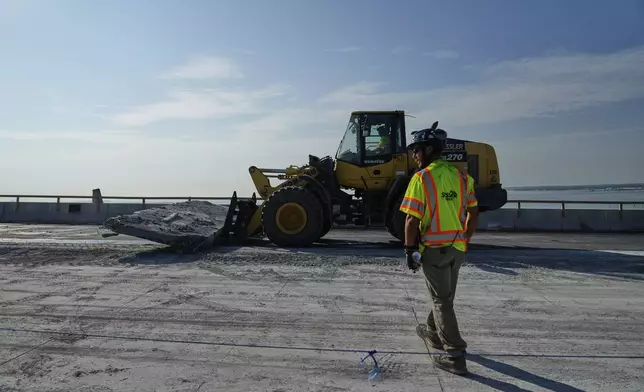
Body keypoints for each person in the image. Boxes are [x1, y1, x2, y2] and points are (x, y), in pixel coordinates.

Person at [399, 121, 479, 376]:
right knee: (444, 297)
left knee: (442, 301)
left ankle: (455, 356)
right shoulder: (461, 176)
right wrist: (465, 238)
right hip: (457, 249)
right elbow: (473, 211)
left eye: (417, 150)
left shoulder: (421, 178)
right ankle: (433, 332)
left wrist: (409, 250)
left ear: (429, 150)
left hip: (433, 249)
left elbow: (411, 219)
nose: (414, 155)